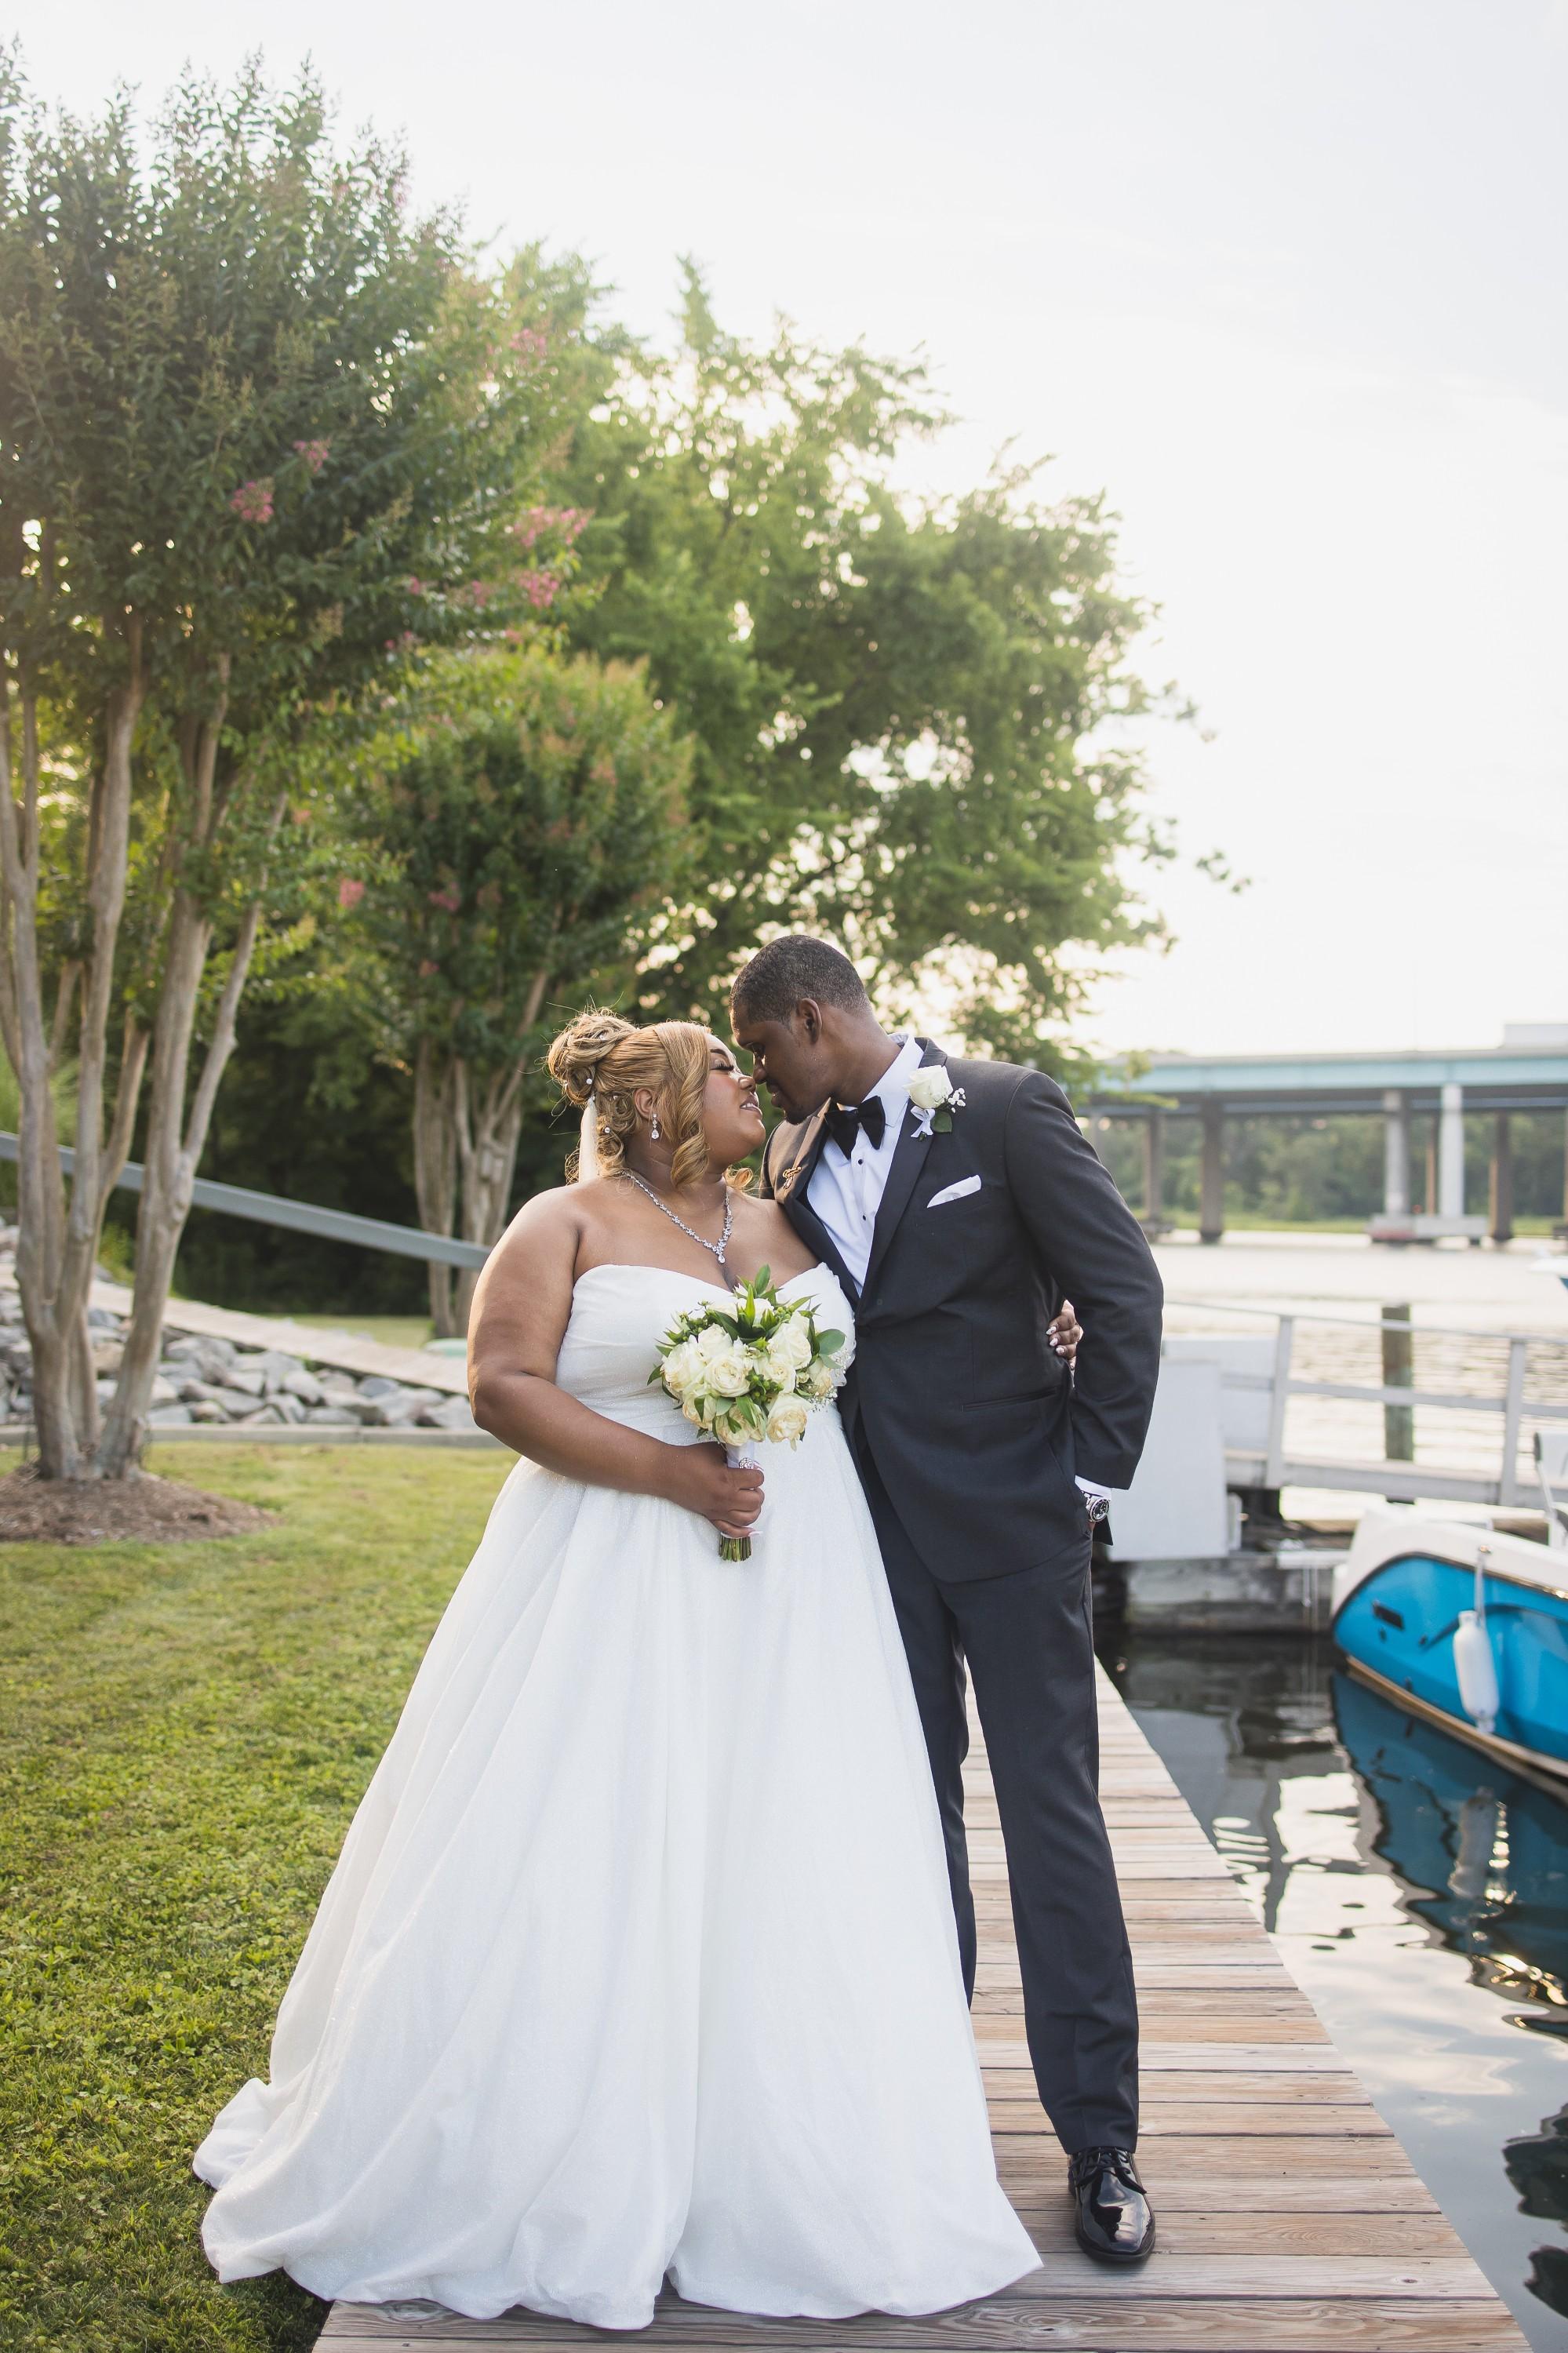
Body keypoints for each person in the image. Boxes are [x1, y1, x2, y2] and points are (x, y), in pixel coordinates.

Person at [194, 1011, 1042, 2329]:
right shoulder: (564, 1222)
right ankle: (556, 2151)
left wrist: (1050, 1339)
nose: (747, 1084)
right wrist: (673, 1474)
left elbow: (895, 1344)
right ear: (654, 1106)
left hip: (802, 1588)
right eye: (720, 1070)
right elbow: (500, 1383)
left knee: (793, 1841)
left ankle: (785, 2159)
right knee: (597, 1831)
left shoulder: (788, 1225)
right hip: (614, 1567)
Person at [730, 936, 1165, 2264]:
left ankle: (1101, 2145)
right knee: (909, 1827)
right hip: (874, 1545)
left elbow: (1123, 1286)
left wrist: (1083, 1481)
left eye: (764, 1052)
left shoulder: (1009, 1107)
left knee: (1054, 1827)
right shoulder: (790, 1162)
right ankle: (926, 2118)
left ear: (813, 1020)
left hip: (1021, 1534)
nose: (759, 1077)